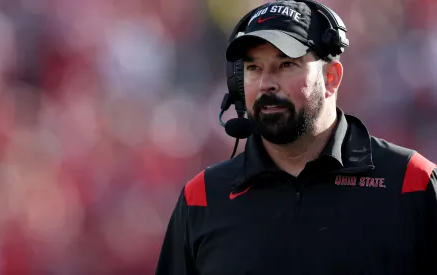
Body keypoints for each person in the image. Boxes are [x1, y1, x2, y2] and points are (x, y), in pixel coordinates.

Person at [155, 1, 437, 274]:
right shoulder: (202, 198)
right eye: (254, 68)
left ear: (331, 78)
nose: (266, 84)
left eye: (286, 65)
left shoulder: (412, 182)